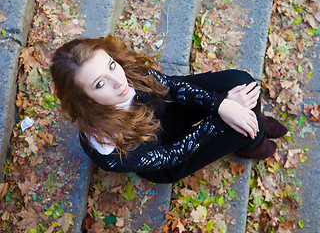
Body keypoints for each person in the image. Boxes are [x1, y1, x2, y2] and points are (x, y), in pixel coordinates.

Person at [50, 35, 287, 184]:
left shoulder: (128, 74)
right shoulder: (108, 149)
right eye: (99, 84)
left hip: (168, 113)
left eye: (111, 65)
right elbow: (171, 155)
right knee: (243, 128)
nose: (119, 81)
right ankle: (255, 144)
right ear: (86, 100)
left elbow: (171, 87)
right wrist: (218, 119)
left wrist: (221, 104)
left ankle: (253, 125)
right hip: (168, 157)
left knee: (242, 82)